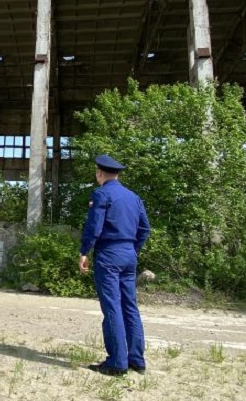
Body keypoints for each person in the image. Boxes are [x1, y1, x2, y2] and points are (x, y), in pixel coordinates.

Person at [79, 154, 150, 377]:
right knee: (130, 306)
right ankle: (136, 360)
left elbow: (94, 227)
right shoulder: (133, 197)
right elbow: (144, 229)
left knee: (112, 307)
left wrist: (84, 251)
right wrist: (131, 250)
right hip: (129, 254)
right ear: (117, 174)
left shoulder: (101, 194)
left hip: (108, 254)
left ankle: (117, 362)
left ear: (99, 173)